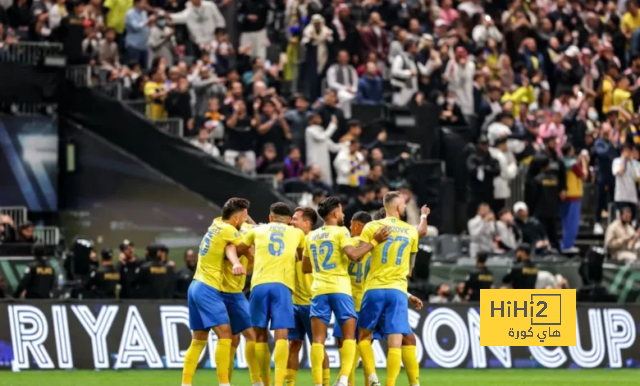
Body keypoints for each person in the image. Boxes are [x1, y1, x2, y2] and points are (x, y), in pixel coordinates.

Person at [301, 196, 387, 386]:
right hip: (340, 289)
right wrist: (375, 241)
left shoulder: (311, 236)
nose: (343, 214)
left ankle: (318, 383)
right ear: (334, 213)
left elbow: (305, 268)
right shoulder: (341, 232)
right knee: (349, 337)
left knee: (317, 340)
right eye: (341, 211)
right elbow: (354, 255)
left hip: (318, 290)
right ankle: (344, 380)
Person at [181, 198, 250, 386]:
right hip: (208, 288)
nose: (245, 220)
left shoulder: (217, 224)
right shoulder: (230, 231)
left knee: (198, 341)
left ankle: (186, 384)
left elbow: (229, 245)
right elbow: (244, 248)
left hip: (195, 285)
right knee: (226, 335)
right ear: (236, 220)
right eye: (243, 217)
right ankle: (224, 384)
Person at [357, 191, 420, 386]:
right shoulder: (411, 231)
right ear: (397, 207)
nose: (404, 207)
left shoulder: (371, 227)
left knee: (364, 336)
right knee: (396, 341)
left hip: (374, 288)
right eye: (403, 204)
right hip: (397, 291)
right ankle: (391, 383)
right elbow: (411, 268)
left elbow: (359, 254)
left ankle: (373, 377)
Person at [239, 202, 305, 386]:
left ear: (270, 217)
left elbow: (240, 248)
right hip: (282, 286)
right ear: (290, 220)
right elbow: (301, 258)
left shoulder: (258, 231)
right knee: (281, 336)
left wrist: (255, 256)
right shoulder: (297, 233)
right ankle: (278, 384)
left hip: (259, 285)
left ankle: (265, 383)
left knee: (259, 335)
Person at [287, 207, 330, 386]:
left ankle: (324, 383)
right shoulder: (291, 239)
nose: (291, 222)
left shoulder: (314, 239)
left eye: (295, 219)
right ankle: (289, 383)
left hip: (313, 301)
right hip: (294, 302)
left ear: (307, 223)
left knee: (317, 345)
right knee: (294, 344)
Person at [218, 219, 263, 386]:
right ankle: (235, 381)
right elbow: (249, 254)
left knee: (242, 337)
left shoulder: (242, 228)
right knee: (239, 337)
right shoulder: (232, 233)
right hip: (225, 290)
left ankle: (250, 381)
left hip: (235, 291)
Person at [560, 144, 589, 253]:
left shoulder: (561, 161)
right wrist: (584, 163)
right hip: (573, 196)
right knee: (572, 223)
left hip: (565, 195)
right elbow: (584, 175)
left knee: (565, 222)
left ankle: (565, 244)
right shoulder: (573, 164)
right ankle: (568, 245)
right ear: (570, 152)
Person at [466, 136, 500, 219]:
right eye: (482, 144)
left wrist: (484, 169)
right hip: (475, 191)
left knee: (489, 211)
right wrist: (485, 169)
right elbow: (472, 170)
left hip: (488, 191)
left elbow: (497, 171)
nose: (484, 147)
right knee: (473, 213)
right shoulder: (473, 157)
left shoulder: (492, 159)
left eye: (486, 144)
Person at [306, 114, 341, 186]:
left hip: (325, 162)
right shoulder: (309, 130)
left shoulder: (323, 132)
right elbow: (321, 137)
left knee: (327, 183)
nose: (319, 118)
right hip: (315, 162)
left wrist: (347, 144)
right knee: (316, 182)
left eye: (319, 117)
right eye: (316, 117)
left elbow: (333, 148)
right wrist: (332, 125)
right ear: (310, 121)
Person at [488, 136, 518, 213]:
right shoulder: (500, 156)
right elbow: (506, 174)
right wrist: (513, 166)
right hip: (499, 188)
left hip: (490, 188)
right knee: (498, 211)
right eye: (505, 144)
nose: (506, 146)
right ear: (500, 145)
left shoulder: (490, 153)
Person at [327, 50, 359, 119]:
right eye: (342, 57)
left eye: (345, 57)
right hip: (338, 90)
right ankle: (346, 117)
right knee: (346, 97)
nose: (344, 59)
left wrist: (354, 89)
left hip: (351, 90)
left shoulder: (351, 68)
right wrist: (345, 88)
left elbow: (355, 81)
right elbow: (331, 83)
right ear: (338, 58)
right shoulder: (333, 69)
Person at [612, 143, 640, 219]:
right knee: (621, 220)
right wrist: (624, 160)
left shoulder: (635, 163)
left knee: (632, 220)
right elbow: (620, 172)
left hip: (632, 197)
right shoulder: (616, 161)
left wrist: (632, 162)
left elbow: (637, 177)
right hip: (621, 196)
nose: (627, 153)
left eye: (629, 151)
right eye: (626, 151)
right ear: (622, 152)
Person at [390, 39, 419, 106]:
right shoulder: (400, 58)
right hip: (401, 90)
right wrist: (409, 73)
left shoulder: (412, 59)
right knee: (399, 110)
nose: (416, 49)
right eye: (415, 47)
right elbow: (394, 71)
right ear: (409, 47)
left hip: (411, 91)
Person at [124, 0, 149, 69]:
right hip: (134, 45)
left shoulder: (144, 13)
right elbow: (135, 27)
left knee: (144, 69)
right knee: (134, 68)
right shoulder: (130, 14)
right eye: (143, 3)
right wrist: (148, 21)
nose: (145, 5)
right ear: (136, 3)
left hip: (144, 46)